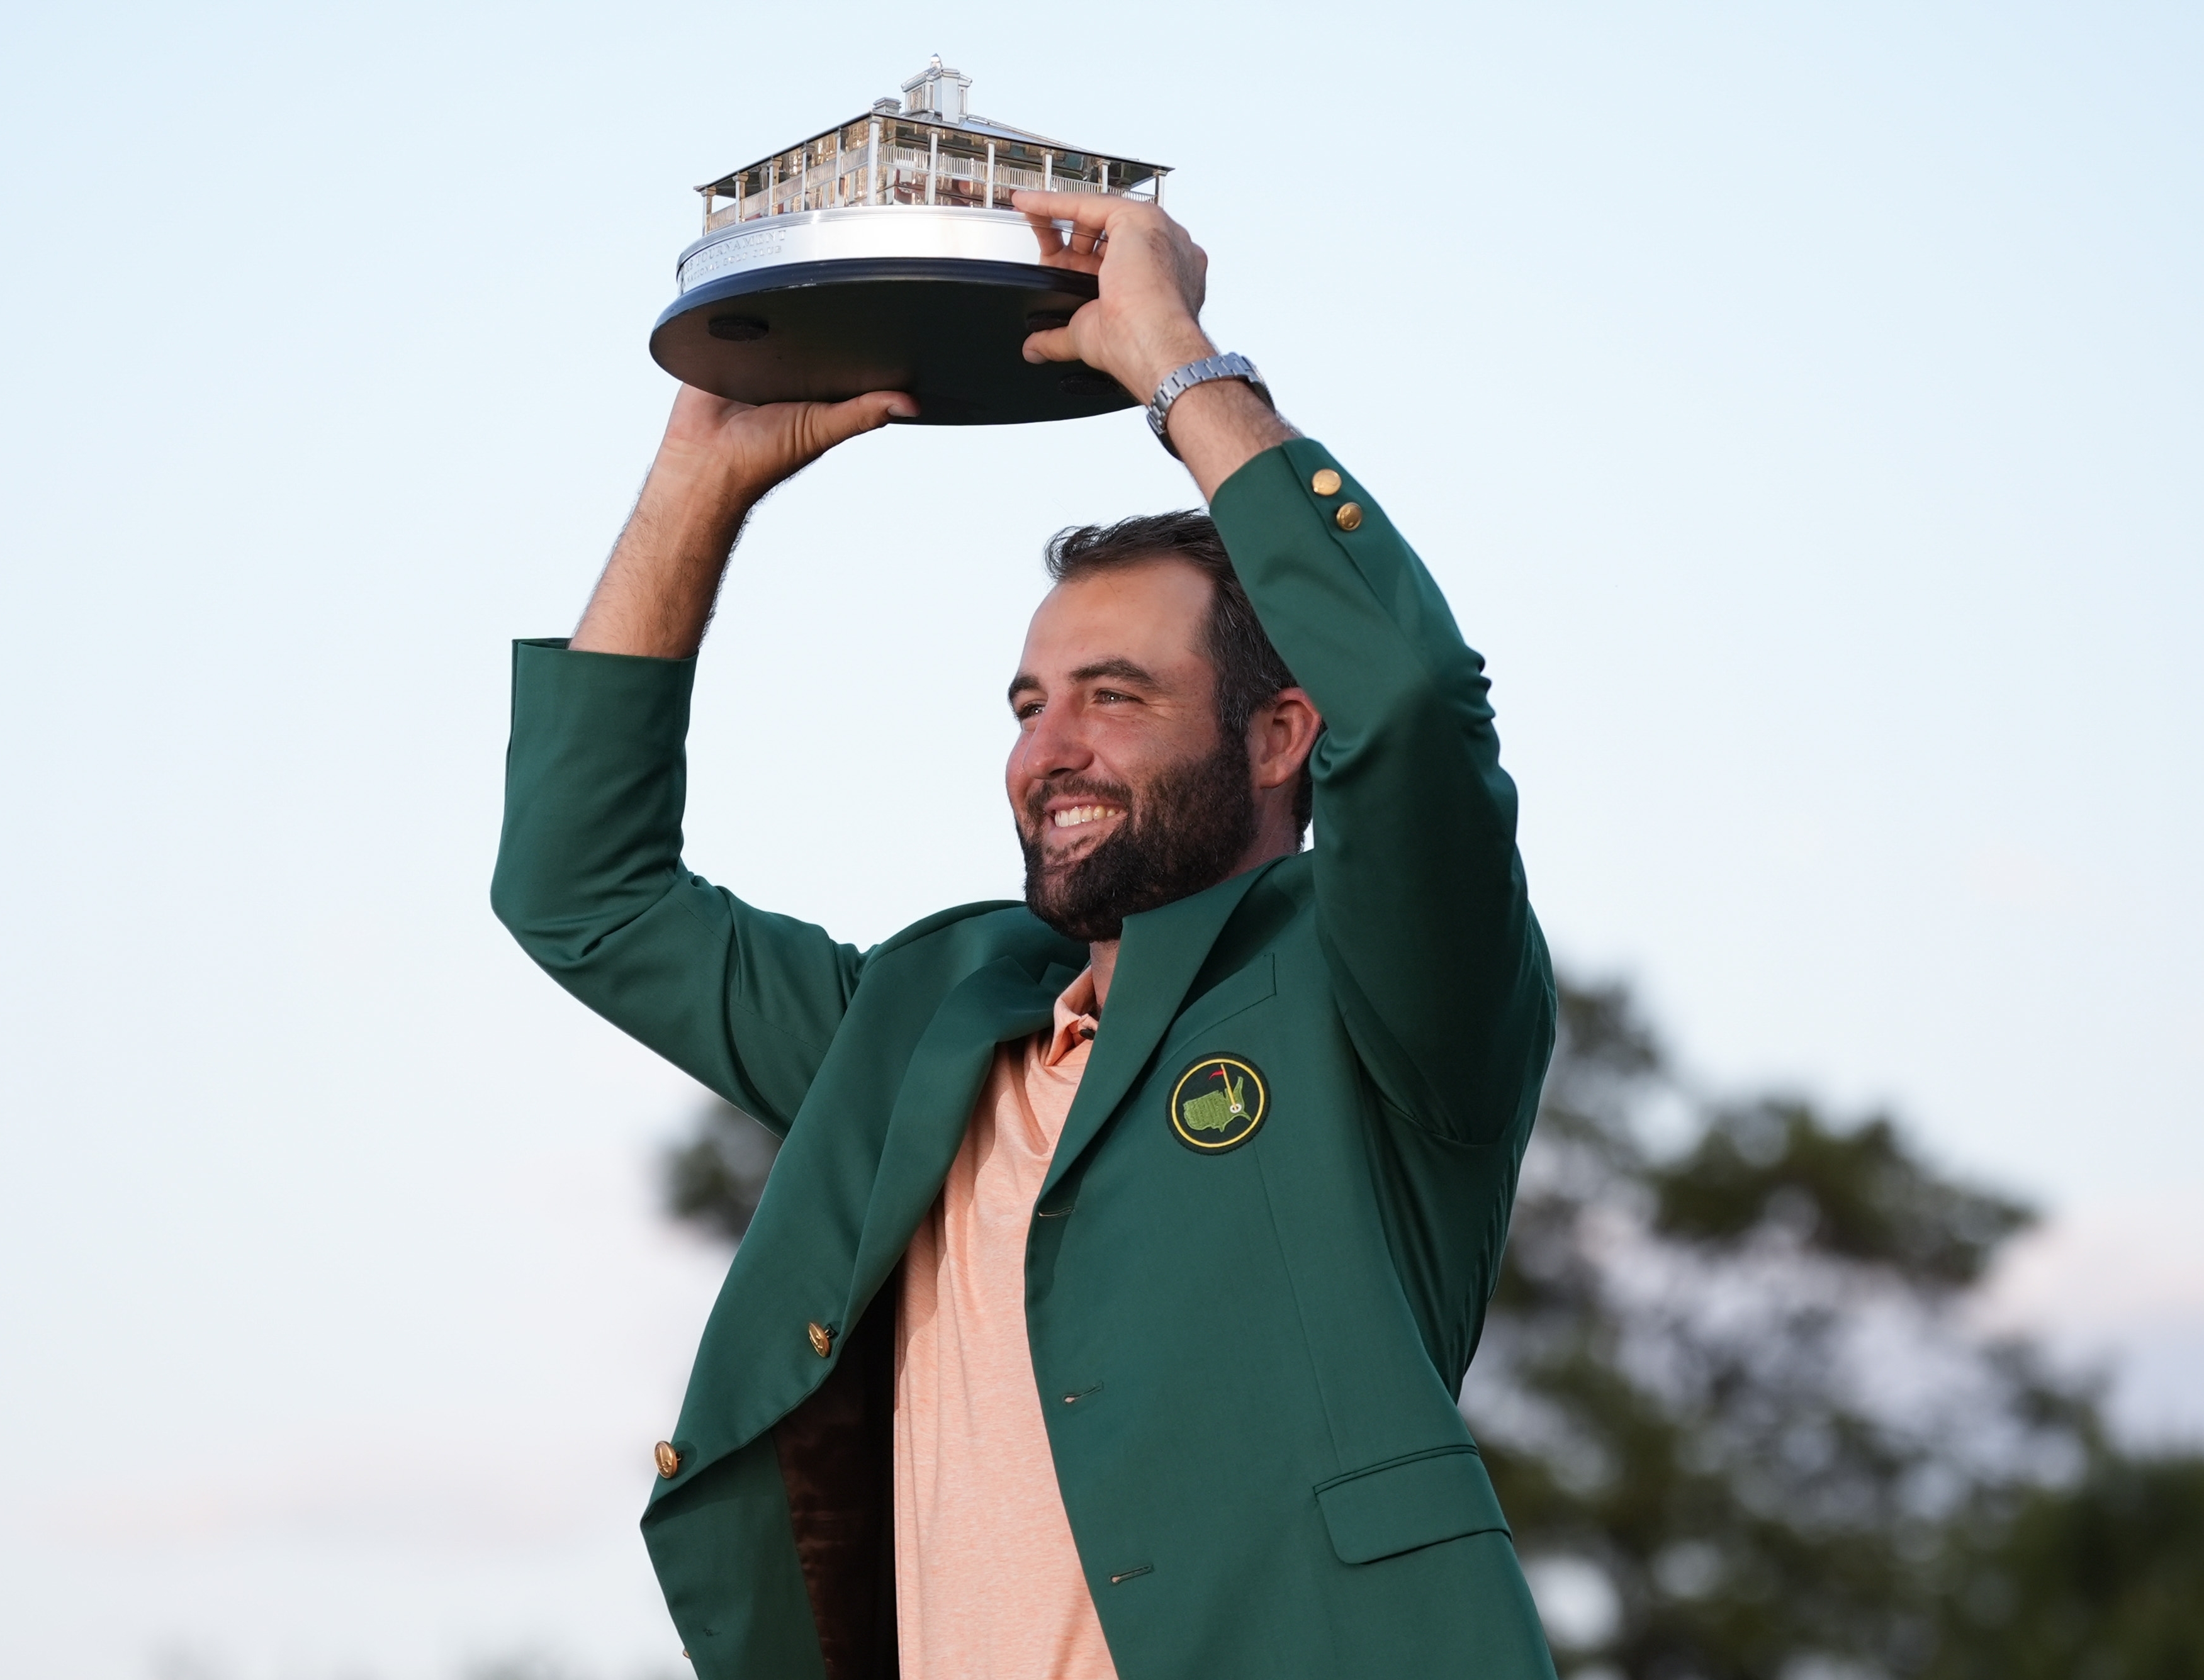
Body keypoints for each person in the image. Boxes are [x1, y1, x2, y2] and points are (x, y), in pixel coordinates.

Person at [492, 191, 1558, 1679]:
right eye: (1026, 705)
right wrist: (698, 479)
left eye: (1113, 697)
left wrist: (1180, 369)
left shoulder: (1380, 986)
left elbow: (1415, 708)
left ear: (1279, 737)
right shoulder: (926, 1020)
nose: (1048, 749)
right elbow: (580, 894)